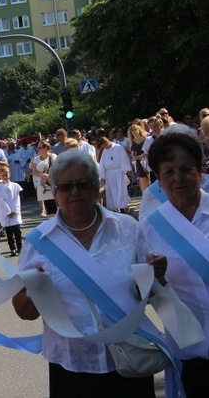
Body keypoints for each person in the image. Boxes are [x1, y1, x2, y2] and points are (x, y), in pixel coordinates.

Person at [12, 150, 166, 397]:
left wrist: (156, 274)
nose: (75, 192)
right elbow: (23, 312)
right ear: (54, 191)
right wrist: (35, 291)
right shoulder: (38, 242)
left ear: (97, 188)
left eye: (83, 184)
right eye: (66, 186)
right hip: (71, 366)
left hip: (130, 360)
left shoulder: (127, 228)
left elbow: (147, 293)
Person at [140, 127, 209, 396]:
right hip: (190, 350)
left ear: (200, 170)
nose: (178, 178)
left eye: (186, 169)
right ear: (158, 177)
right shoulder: (149, 228)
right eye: (169, 171)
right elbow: (138, 293)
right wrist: (152, 276)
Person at [98, 134, 132, 213]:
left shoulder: (118, 147)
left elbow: (124, 158)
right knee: (112, 191)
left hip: (119, 172)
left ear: (107, 142)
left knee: (121, 190)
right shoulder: (104, 151)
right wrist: (103, 176)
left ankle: (122, 207)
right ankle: (114, 208)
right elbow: (102, 163)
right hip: (109, 173)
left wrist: (126, 170)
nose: (105, 147)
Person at [0, 166, 23, 256]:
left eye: (6, 175)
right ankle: (12, 248)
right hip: (6, 214)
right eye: (3, 175)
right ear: (0, 176)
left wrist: (14, 211)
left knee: (17, 232)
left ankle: (20, 248)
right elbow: (1, 201)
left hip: (15, 213)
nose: (5, 177)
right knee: (9, 233)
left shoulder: (15, 186)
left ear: (9, 174)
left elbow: (16, 199)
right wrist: (8, 212)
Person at [31, 141, 57, 217]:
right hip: (41, 185)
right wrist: (42, 175)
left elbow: (56, 169)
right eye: (37, 148)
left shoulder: (53, 157)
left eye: (39, 148)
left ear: (45, 148)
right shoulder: (36, 159)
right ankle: (51, 222)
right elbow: (34, 172)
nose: (37, 149)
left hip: (51, 183)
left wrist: (48, 176)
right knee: (47, 205)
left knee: (54, 204)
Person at [129, 122, 150, 193]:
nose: (134, 132)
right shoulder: (133, 142)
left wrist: (144, 155)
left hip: (147, 160)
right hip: (139, 162)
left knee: (150, 179)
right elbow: (133, 154)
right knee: (142, 179)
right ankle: (145, 195)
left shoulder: (145, 138)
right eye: (132, 130)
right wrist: (137, 157)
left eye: (135, 129)